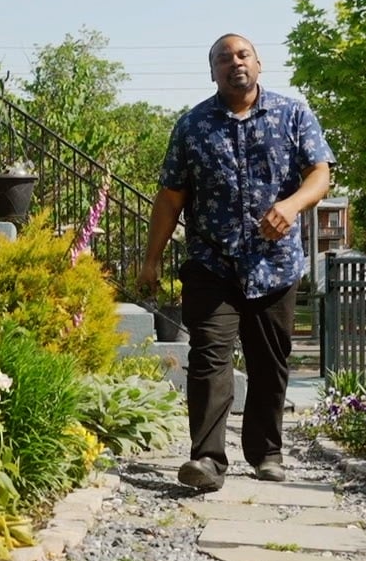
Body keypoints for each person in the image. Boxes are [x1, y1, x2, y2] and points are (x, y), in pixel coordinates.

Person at [137, 34, 335, 492]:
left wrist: (292, 206)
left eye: (242, 55)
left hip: (275, 264)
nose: (234, 63)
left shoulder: (292, 114)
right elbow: (170, 198)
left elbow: (319, 174)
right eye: (223, 59)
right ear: (213, 72)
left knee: (270, 361)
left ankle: (267, 452)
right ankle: (206, 458)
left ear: (258, 64)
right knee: (209, 356)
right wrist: (152, 259)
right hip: (212, 264)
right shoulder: (192, 126)